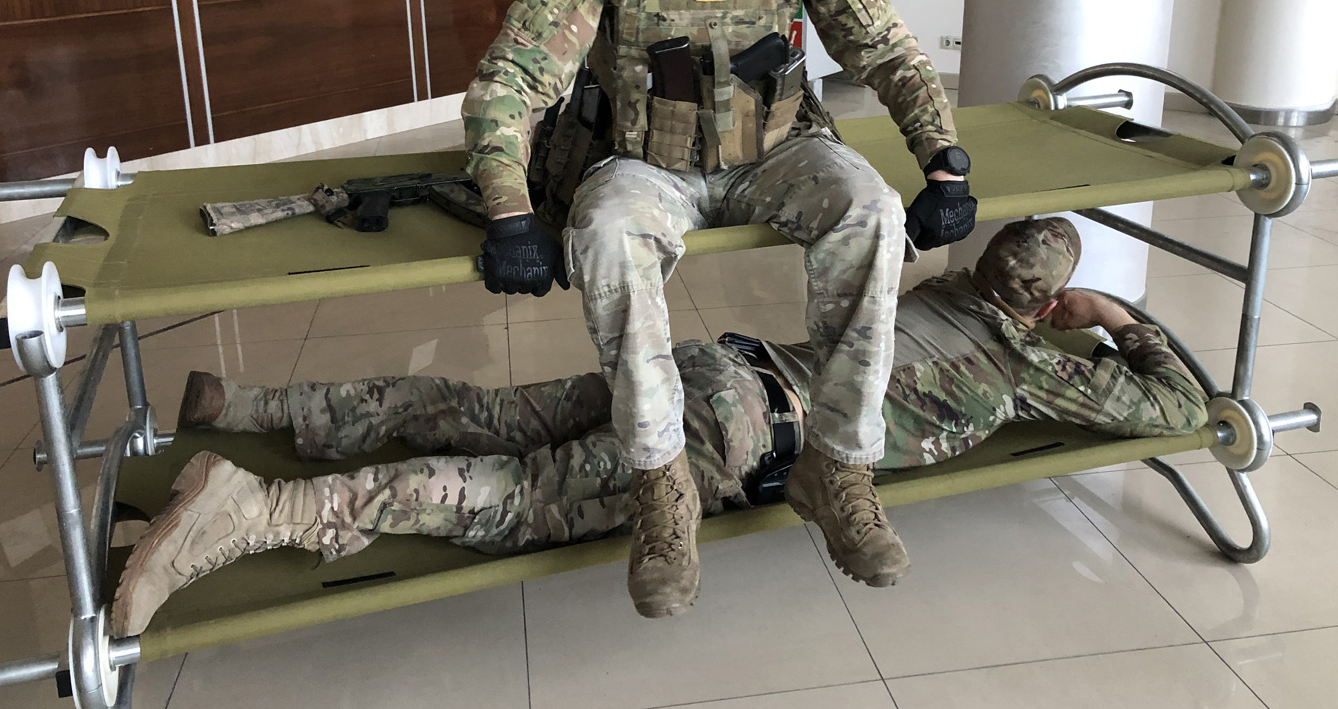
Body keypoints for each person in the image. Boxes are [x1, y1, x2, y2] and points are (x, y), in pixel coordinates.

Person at [461, 0, 975, 617]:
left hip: (775, 152)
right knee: (605, 232)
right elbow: (516, 72)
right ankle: (663, 485)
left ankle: (837, 466)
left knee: (871, 208)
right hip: (646, 163)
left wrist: (940, 159)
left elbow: (888, 49)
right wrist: (508, 209)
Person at [111, 219, 1207, 637]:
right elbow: (1179, 406)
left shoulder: (934, 289)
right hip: (740, 435)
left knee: (493, 413)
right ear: (1048, 309)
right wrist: (1119, 321)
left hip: (708, 364)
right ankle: (256, 504)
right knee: (516, 498)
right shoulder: (1022, 365)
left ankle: (254, 408)